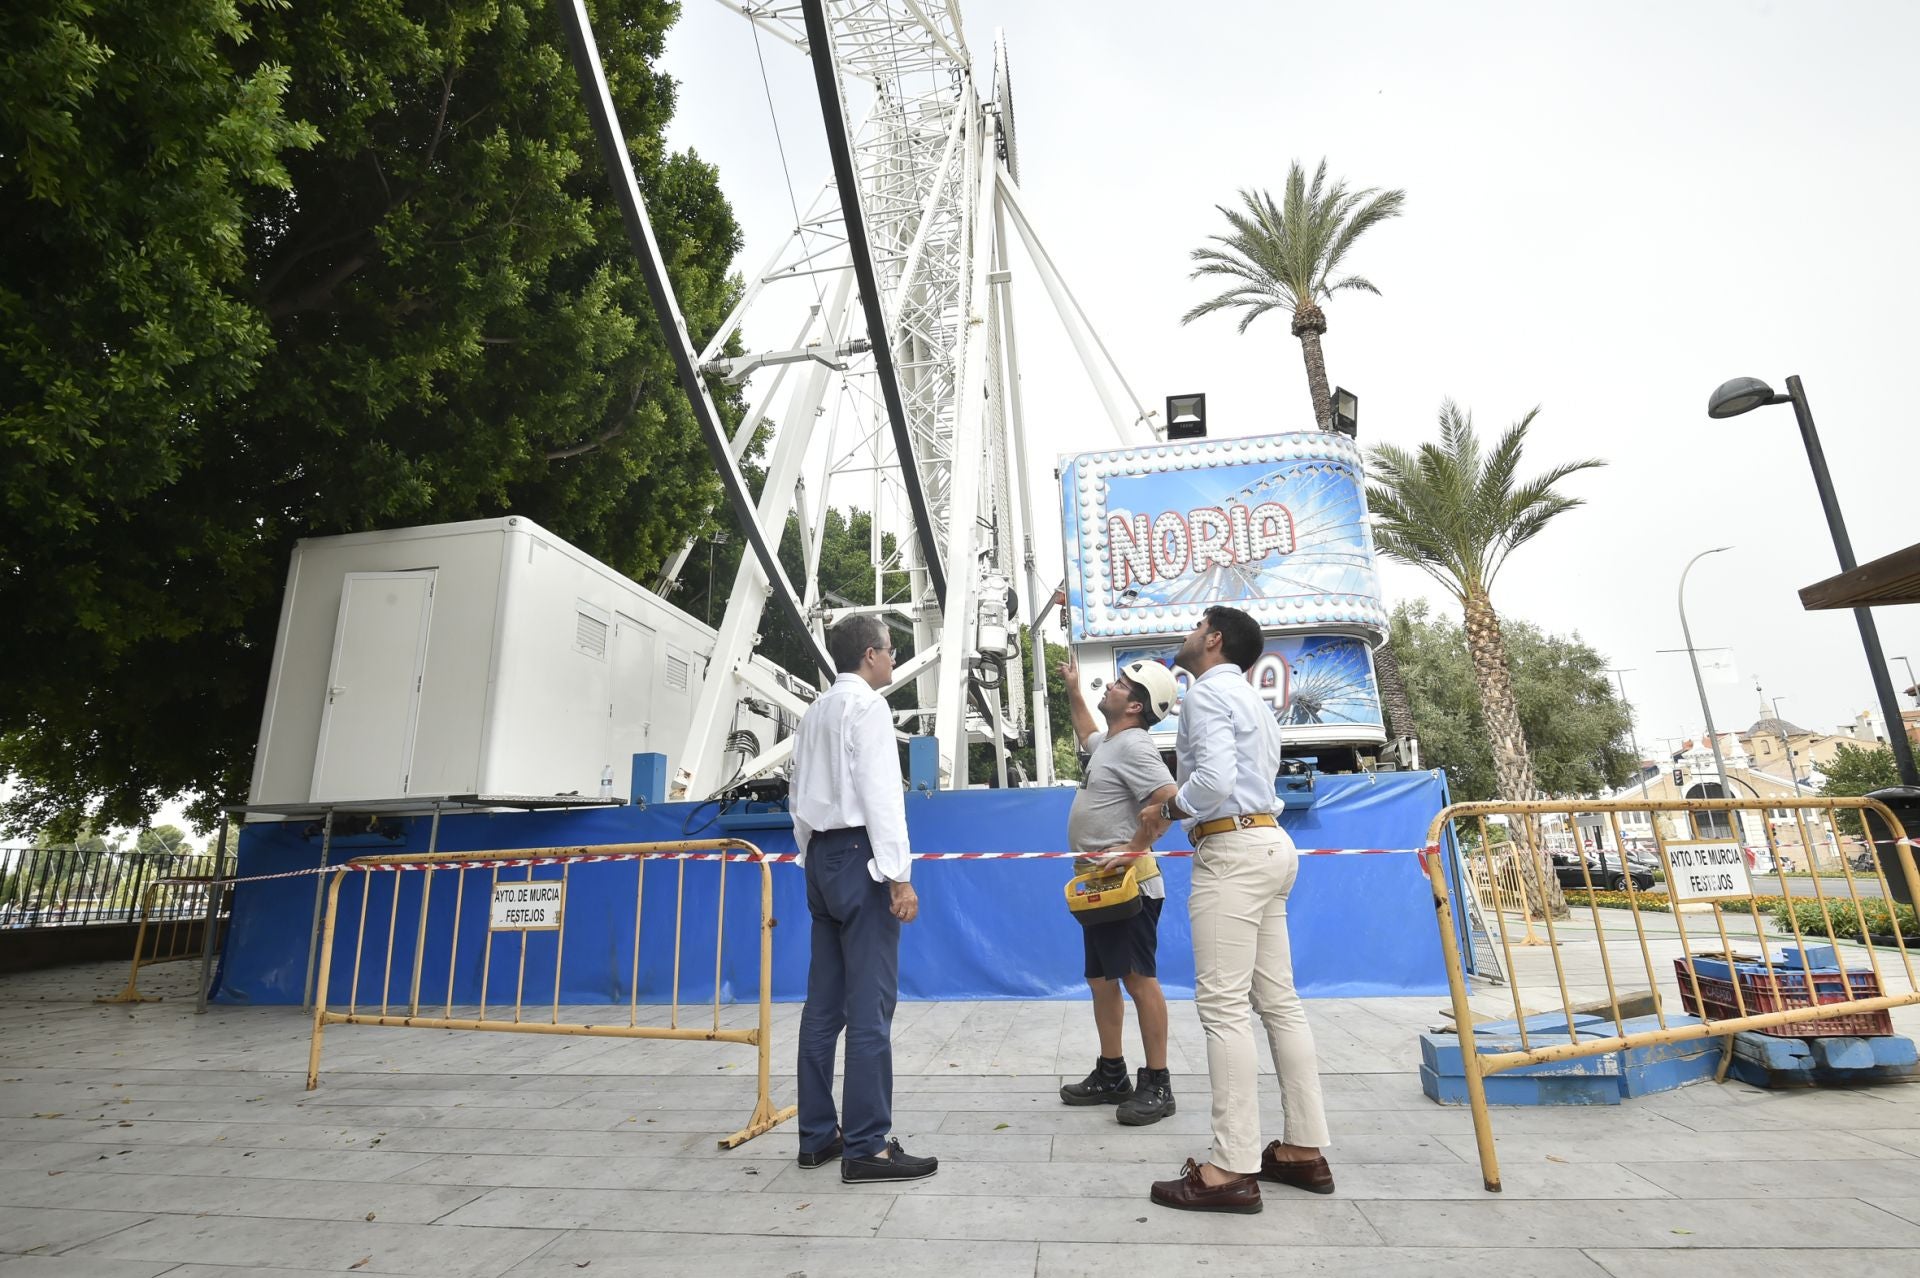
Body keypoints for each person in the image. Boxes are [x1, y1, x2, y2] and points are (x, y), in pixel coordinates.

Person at [1135, 605, 1332, 1214]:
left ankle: (1229, 1167)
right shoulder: (1252, 700)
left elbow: (1214, 779)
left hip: (1234, 849)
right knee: (1278, 1002)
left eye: (1197, 626)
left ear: (1214, 640)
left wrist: (1167, 811)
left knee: (1223, 1007)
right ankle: (1304, 1148)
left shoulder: (1204, 696)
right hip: (1271, 842)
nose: (1187, 634)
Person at [789, 615, 936, 1183]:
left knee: (823, 1007)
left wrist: (812, 858)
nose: (893, 662)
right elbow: (881, 796)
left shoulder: (814, 712)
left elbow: (799, 798)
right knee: (871, 1005)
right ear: (871, 655)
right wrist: (897, 875)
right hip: (860, 856)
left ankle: (818, 1136)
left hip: (821, 857)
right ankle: (868, 1145)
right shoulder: (869, 709)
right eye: (891, 652)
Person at [1056, 654, 1181, 1125]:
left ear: (1135, 706)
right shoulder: (1110, 742)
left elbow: (1168, 801)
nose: (1110, 685)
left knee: (1136, 980)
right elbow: (1086, 729)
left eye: (1121, 684)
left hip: (1128, 886)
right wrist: (1072, 688)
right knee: (1102, 979)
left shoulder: (1135, 748)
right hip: (1098, 886)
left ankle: (1158, 1084)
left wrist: (1132, 849)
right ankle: (1112, 1074)